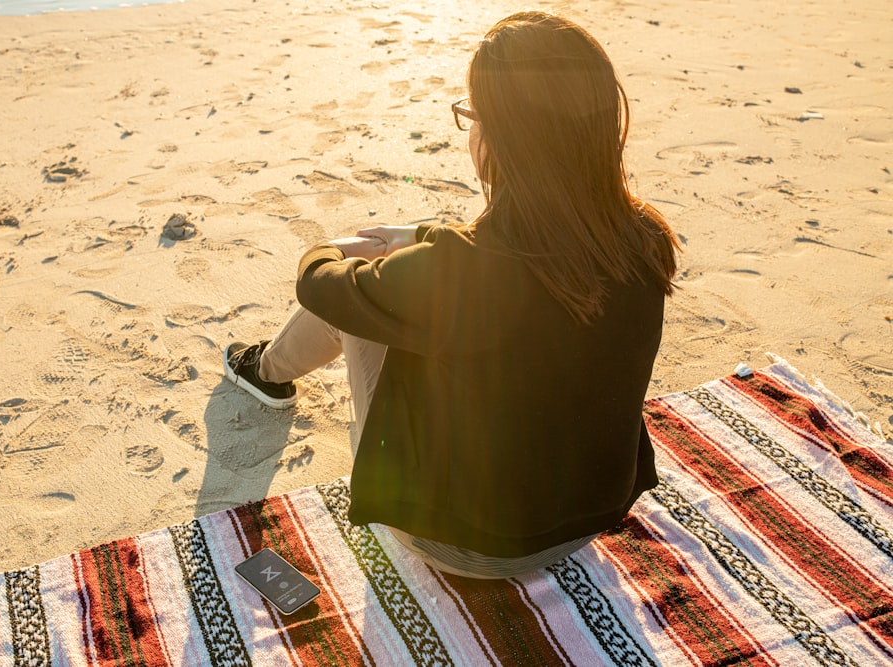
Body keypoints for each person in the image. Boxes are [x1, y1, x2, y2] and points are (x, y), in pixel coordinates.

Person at [224, 11, 680, 579]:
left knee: (363, 309)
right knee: (413, 304)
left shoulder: (469, 270)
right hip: (588, 522)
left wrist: (326, 249)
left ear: (505, 133)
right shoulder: (644, 237)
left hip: (467, 546)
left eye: (474, 116)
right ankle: (267, 370)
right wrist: (418, 237)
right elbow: (522, 254)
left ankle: (266, 372)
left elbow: (322, 289)